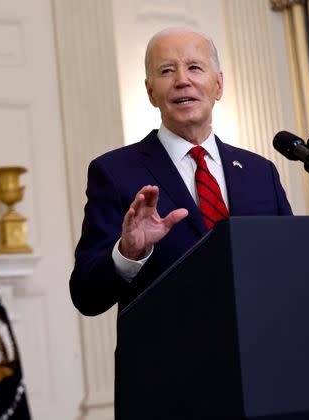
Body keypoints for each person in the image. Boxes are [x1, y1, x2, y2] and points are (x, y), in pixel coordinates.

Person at [70, 28, 292, 316]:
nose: (182, 81)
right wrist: (128, 253)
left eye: (194, 68)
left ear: (218, 85)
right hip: (167, 356)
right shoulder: (114, 172)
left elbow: (290, 264)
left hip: (258, 350)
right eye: (167, 71)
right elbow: (86, 295)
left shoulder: (260, 172)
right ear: (151, 92)